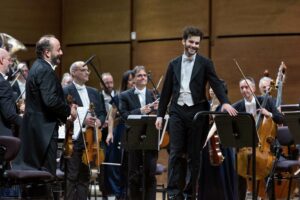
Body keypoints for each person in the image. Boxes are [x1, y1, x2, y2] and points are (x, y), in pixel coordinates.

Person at [155, 26, 237, 200]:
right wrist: (160, 115)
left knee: (194, 155)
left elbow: (215, 83)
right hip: (177, 111)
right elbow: (166, 91)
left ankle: (190, 193)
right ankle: (174, 194)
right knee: (176, 153)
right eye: (191, 42)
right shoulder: (173, 63)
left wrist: (226, 103)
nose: (194, 45)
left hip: (197, 111)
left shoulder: (206, 63)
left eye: (197, 43)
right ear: (183, 41)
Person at [14, 35, 77, 176]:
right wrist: (68, 110)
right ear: (47, 53)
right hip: (44, 132)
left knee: (35, 175)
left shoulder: (37, 67)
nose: (61, 52)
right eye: (58, 49)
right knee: (46, 175)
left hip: (36, 130)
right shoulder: (45, 70)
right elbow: (50, 101)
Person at [232, 77, 284, 200]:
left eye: (247, 87)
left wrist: (269, 114)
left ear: (254, 89)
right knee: (239, 172)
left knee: (267, 171)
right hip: (245, 147)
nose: (245, 90)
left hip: (263, 149)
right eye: (242, 88)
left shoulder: (266, 101)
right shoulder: (238, 106)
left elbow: (280, 118)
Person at [63, 61, 106, 200]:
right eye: (84, 70)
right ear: (74, 72)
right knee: (72, 176)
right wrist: (82, 120)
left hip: (90, 140)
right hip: (74, 140)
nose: (88, 72)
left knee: (85, 177)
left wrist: (99, 121)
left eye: (88, 70)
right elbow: (63, 114)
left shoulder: (94, 92)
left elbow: (102, 113)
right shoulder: (65, 91)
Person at [119, 66, 159, 200]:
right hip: (133, 138)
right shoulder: (125, 96)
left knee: (150, 174)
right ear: (133, 79)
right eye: (140, 75)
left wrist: (159, 110)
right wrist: (140, 111)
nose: (143, 77)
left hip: (151, 138)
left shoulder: (153, 94)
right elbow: (124, 116)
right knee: (134, 175)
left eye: (145, 75)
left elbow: (160, 116)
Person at [198, 82, 238, 200]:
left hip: (222, 145)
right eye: (210, 87)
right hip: (208, 146)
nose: (211, 90)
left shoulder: (226, 105)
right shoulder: (207, 105)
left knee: (222, 175)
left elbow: (217, 123)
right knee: (208, 175)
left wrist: (206, 138)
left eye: (214, 88)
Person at [104, 69, 135, 199]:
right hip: (122, 131)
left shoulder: (139, 95)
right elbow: (111, 116)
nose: (133, 83)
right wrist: (110, 133)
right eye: (131, 80)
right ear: (125, 83)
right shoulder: (119, 96)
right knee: (119, 164)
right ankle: (119, 194)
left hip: (136, 132)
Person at [0, 48, 22, 136]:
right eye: (9, 60)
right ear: (1, 60)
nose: (11, 63)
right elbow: (10, 115)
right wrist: (28, 123)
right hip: (3, 136)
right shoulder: (2, 83)